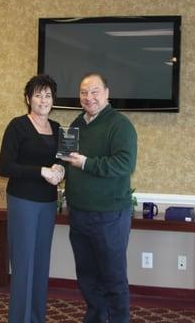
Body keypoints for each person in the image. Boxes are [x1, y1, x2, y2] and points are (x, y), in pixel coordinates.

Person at [61, 72, 137, 323]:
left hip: (110, 215)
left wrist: (86, 164)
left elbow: (124, 164)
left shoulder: (120, 125)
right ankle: (96, 317)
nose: (88, 97)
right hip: (79, 213)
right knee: (87, 276)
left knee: (113, 277)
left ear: (107, 93)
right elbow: (67, 159)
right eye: (84, 92)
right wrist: (59, 169)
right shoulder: (76, 125)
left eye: (94, 91)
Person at [0, 74, 64, 323]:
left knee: (40, 264)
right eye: (38, 95)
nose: (43, 100)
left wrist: (60, 169)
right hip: (23, 202)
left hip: (48, 203)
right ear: (28, 99)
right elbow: (4, 167)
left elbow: (61, 160)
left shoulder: (58, 128)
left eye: (48, 95)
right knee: (24, 265)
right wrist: (40, 171)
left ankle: (36, 318)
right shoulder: (18, 126)